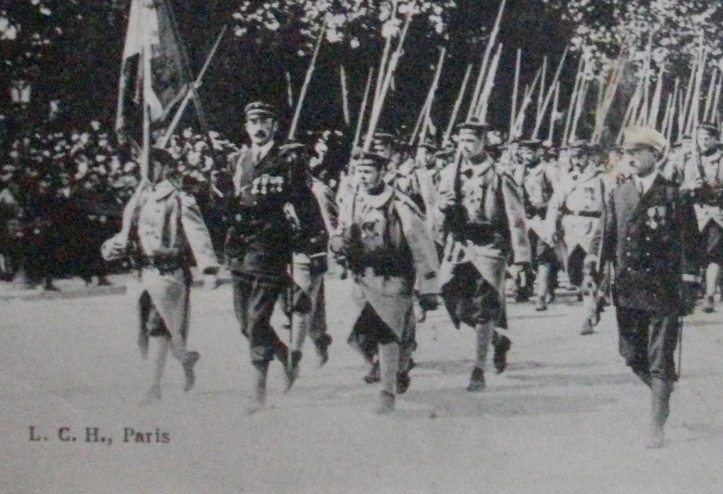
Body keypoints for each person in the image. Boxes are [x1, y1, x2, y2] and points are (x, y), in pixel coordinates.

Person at [600, 125, 701, 449]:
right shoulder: (618, 192)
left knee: (660, 360)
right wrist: (599, 272)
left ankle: (656, 425)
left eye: (637, 152)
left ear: (655, 156)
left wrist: (689, 286)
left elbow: (690, 244)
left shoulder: (674, 194)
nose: (630, 158)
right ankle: (665, 391)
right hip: (628, 288)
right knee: (631, 355)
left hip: (663, 289)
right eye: (627, 153)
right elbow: (608, 236)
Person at [222, 101, 325, 408]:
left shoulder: (287, 160)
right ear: (246, 127)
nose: (258, 127)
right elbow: (228, 205)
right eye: (253, 122)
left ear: (274, 127)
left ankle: (258, 391)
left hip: (270, 246)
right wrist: (222, 197)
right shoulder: (236, 161)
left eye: (264, 121)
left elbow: (304, 203)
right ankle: (283, 355)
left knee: (256, 320)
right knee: (245, 323)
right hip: (239, 246)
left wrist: (313, 240)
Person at [331, 148, 441, 412]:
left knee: (387, 332)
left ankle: (387, 392)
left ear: (383, 173)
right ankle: (399, 364)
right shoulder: (353, 200)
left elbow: (421, 245)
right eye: (359, 172)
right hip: (364, 278)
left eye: (368, 172)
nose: (363, 177)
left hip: (395, 277)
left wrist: (428, 287)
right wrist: (337, 243)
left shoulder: (400, 205)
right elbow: (343, 230)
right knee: (358, 335)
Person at [102, 144, 214, 401]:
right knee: (152, 330)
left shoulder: (178, 197)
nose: (146, 169)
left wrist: (208, 266)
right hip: (143, 273)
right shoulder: (140, 197)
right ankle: (185, 359)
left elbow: (197, 232)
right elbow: (129, 233)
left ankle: (153, 387)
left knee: (158, 328)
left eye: (151, 164)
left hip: (169, 273)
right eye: (143, 164)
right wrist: (113, 246)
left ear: (164, 166)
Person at [433, 119, 529, 391]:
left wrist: (521, 258)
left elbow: (516, 218)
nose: (465, 146)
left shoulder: (499, 174)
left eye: (471, 141)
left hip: (490, 244)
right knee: (450, 295)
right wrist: (442, 206)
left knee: (484, 306)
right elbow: (436, 209)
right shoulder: (449, 172)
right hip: (460, 243)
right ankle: (497, 341)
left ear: (483, 142)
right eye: (461, 141)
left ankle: (478, 368)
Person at [672, 121, 723, 313]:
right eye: (700, 138)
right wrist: (689, 187)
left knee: (714, 254)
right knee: (694, 255)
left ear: (716, 140)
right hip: (696, 213)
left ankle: (709, 294)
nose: (703, 142)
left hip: (720, 213)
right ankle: (696, 291)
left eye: (707, 138)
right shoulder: (690, 161)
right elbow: (678, 187)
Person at [548, 140, 610, 335]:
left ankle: (588, 315)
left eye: (580, 155)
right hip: (571, 227)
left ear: (589, 156)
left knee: (589, 272)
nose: (576, 160)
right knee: (574, 274)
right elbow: (555, 204)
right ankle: (597, 298)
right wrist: (551, 225)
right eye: (573, 156)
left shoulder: (601, 178)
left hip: (593, 226)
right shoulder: (567, 179)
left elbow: (610, 206)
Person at [516, 139, 561, 309]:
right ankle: (534, 286)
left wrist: (541, 207)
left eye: (530, 153)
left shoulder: (548, 170)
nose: (526, 157)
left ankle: (540, 296)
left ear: (538, 153)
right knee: (529, 258)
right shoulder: (520, 171)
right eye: (524, 153)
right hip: (525, 220)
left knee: (543, 257)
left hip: (543, 219)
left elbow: (558, 196)